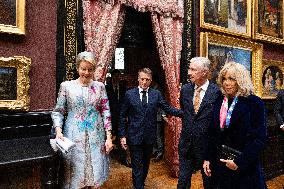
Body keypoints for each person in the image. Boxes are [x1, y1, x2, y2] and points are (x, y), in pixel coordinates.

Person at [51, 51, 113, 189]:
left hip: (95, 135)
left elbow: (106, 111)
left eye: (90, 69)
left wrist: (108, 137)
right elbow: (58, 112)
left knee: (93, 173)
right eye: (83, 69)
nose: (86, 72)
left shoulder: (100, 87)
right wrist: (58, 131)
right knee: (76, 175)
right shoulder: (66, 86)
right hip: (74, 134)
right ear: (77, 67)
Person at [203, 62, 267, 189]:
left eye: (231, 79)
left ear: (240, 80)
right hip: (219, 165)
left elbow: (260, 139)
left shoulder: (254, 103)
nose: (226, 83)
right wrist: (207, 158)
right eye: (224, 79)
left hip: (244, 167)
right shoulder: (219, 100)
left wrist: (239, 162)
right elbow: (211, 133)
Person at [118, 68, 183, 189]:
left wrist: (184, 113)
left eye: (147, 80)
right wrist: (122, 135)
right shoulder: (129, 94)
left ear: (151, 80)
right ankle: (138, 186)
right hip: (134, 136)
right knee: (137, 165)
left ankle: (140, 183)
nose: (144, 82)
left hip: (149, 136)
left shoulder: (156, 94)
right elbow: (122, 116)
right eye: (142, 79)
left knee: (145, 164)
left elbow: (167, 108)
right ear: (138, 79)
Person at [177, 57, 221, 189]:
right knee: (182, 183)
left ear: (205, 72)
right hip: (186, 145)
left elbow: (217, 121)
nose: (189, 72)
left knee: (209, 183)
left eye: (193, 69)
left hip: (206, 148)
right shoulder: (185, 90)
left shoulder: (217, 92)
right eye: (189, 69)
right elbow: (185, 112)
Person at [105, 69, 131, 167]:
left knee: (122, 136)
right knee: (109, 137)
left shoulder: (123, 87)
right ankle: (108, 159)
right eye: (115, 76)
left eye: (118, 76)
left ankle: (123, 158)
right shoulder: (107, 88)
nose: (116, 78)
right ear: (112, 77)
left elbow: (126, 102)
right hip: (110, 117)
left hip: (121, 117)